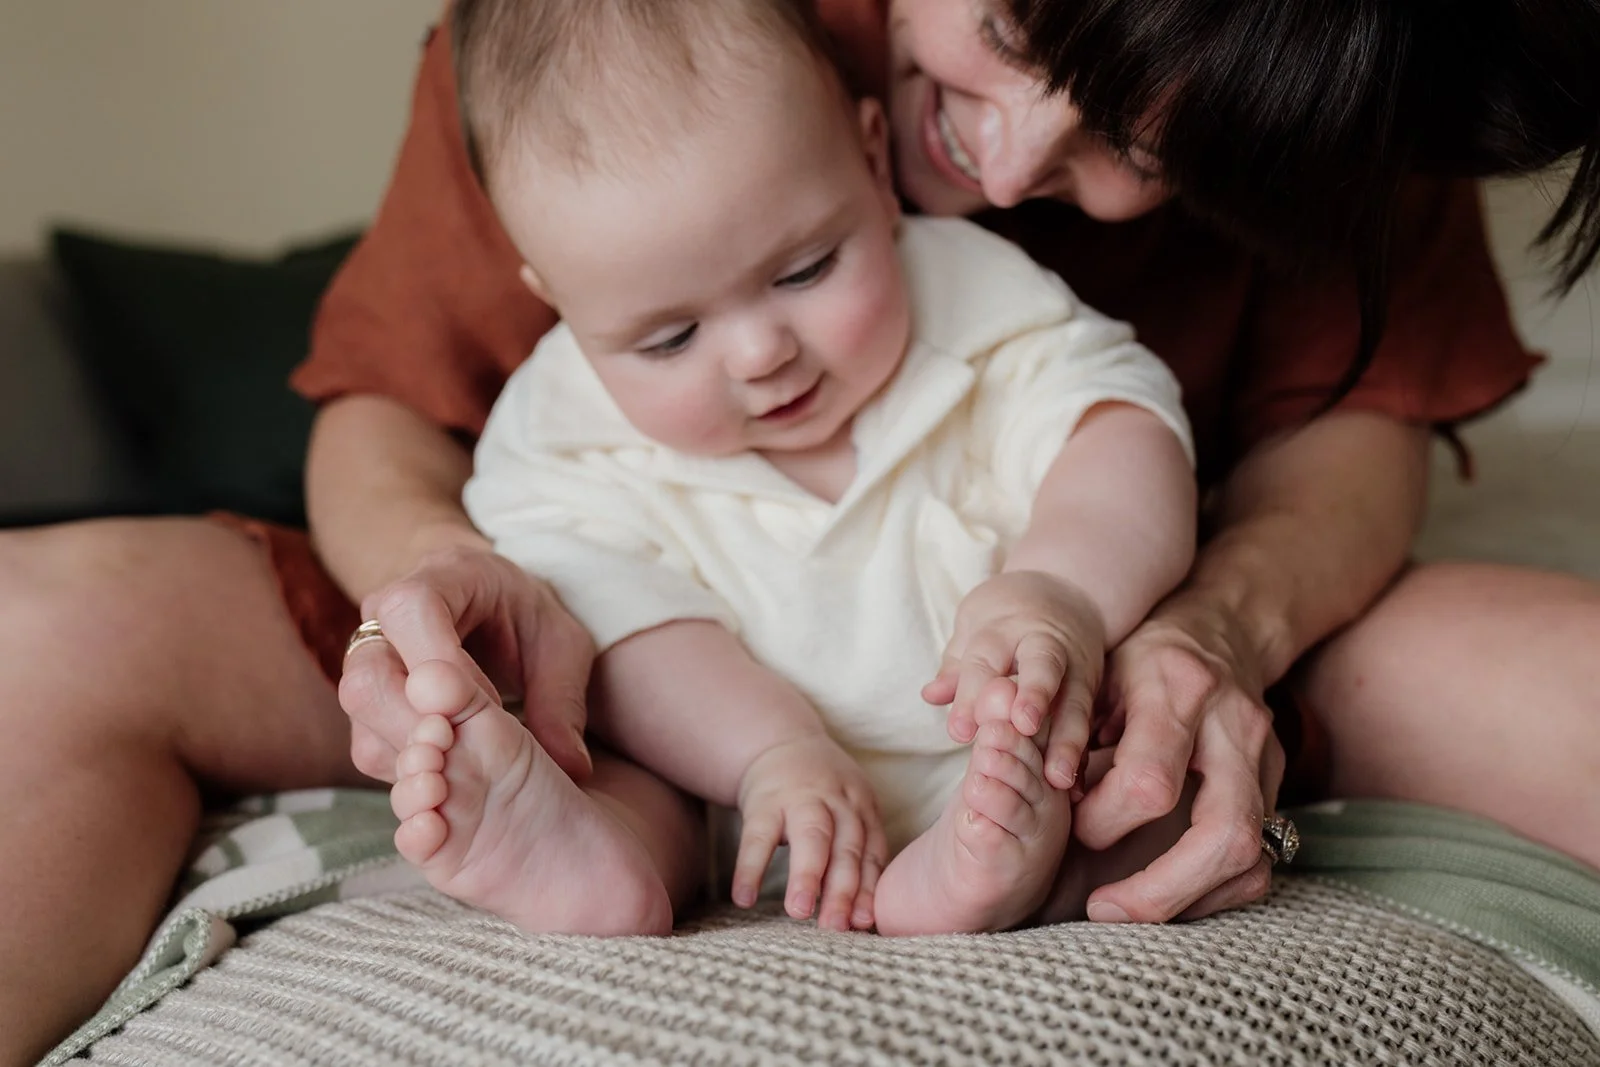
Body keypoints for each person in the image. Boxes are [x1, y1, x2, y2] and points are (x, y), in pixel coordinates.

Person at [4, 0, 1597, 1060]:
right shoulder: (603, 38)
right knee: (50, 617)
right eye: (1014, 23)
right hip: (606, 655)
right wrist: (439, 598)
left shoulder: (1356, 59)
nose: (1018, 158)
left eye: (1146, 146)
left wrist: (1196, 629)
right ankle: (588, 847)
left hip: (1115, 604)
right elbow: (385, 415)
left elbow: (1349, 437)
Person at [387, 0, 1200, 939]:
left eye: (806, 270)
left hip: (990, 736)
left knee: (1136, 793)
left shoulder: (975, 298)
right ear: (560, 301)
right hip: (729, 788)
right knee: (611, 741)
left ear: (868, 162)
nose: (758, 354)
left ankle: (982, 869)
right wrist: (768, 750)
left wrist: (1061, 588)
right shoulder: (562, 423)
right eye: (671, 336)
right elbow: (613, 620)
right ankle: (592, 860)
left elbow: (1120, 428)